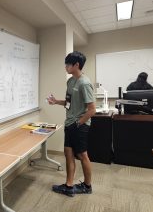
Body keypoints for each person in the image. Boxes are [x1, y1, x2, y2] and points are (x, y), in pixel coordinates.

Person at [46, 51, 96, 197]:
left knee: (82, 155)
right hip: (70, 123)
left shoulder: (84, 83)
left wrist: (78, 123)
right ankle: (69, 186)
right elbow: (69, 103)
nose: (65, 67)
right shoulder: (70, 81)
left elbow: (92, 110)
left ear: (77, 65)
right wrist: (56, 102)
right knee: (68, 153)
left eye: (68, 64)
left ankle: (87, 186)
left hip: (79, 125)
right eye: (65, 63)